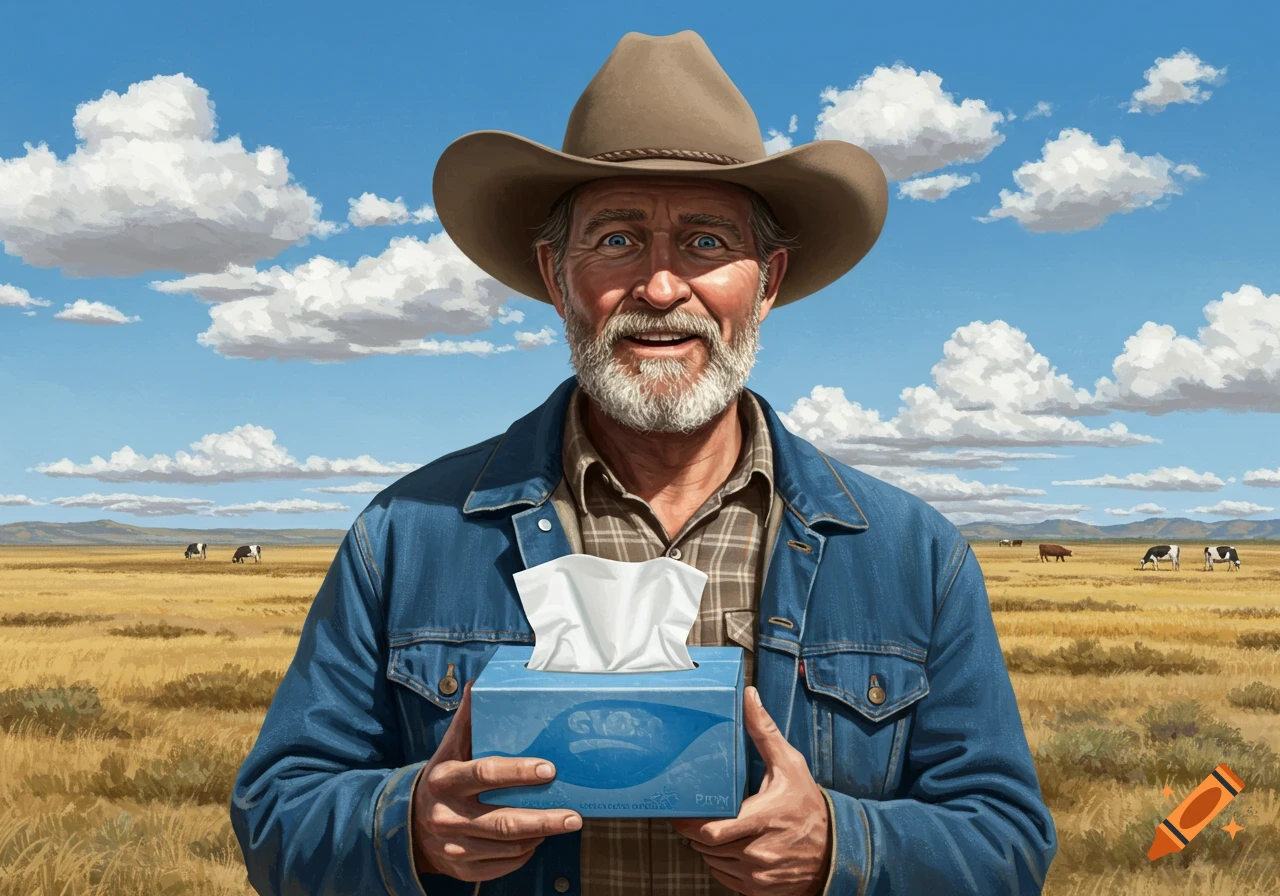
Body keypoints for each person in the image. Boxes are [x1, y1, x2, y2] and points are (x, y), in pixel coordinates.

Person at [231, 30, 1057, 896]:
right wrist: (412, 826)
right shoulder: (406, 537)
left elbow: (1004, 843)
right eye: (619, 241)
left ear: (767, 281)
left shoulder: (909, 554)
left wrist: (838, 848)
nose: (662, 289)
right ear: (556, 276)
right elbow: (276, 816)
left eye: (705, 244)